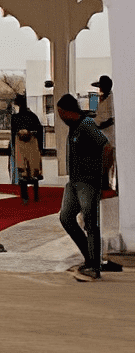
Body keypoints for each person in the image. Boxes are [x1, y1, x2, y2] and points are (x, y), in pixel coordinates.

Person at [56, 93, 111, 281]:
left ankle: (94, 266)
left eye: (60, 113)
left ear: (65, 111)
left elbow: (107, 147)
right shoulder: (74, 127)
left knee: (90, 223)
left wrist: (103, 178)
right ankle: (88, 258)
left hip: (88, 182)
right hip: (74, 182)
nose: (60, 117)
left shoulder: (86, 125)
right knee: (66, 218)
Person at [9, 93, 44, 203]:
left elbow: (13, 133)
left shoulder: (15, 117)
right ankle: (36, 195)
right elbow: (40, 130)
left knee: (23, 170)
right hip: (33, 145)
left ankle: (25, 196)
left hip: (21, 146)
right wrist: (40, 146)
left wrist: (13, 147)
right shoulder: (32, 116)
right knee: (33, 171)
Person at [92, 75, 116, 192]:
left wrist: (101, 125)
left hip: (109, 134)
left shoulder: (112, 99)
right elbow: (97, 114)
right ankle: (103, 183)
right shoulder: (101, 99)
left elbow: (112, 118)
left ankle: (108, 184)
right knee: (101, 161)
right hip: (101, 134)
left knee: (108, 161)